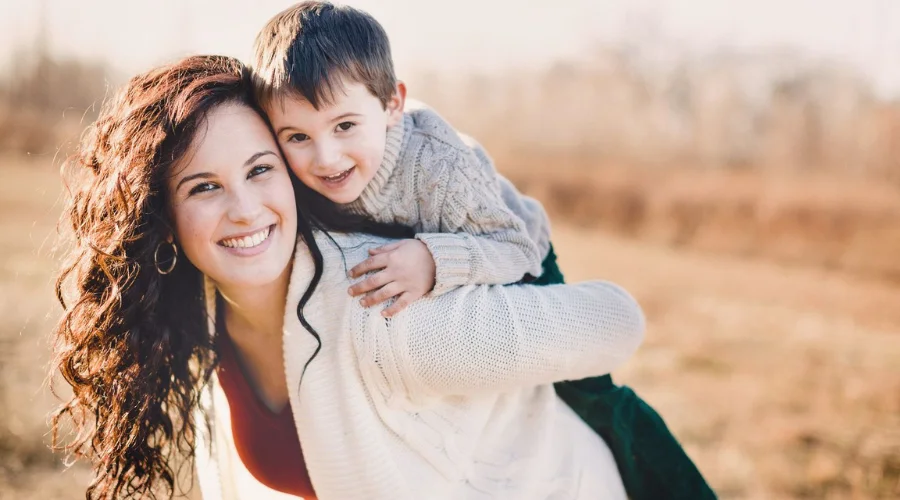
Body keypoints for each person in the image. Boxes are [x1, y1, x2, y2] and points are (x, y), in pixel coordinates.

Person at [51, 55, 645, 500]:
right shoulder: (203, 309)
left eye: (260, 170)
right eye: (204, 186)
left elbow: (616, 321)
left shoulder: (384, 312)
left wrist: (445, 260)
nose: (244, 209)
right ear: (162, 216)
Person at [250, 3, 716, 498]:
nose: (325, 157)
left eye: (345, 127)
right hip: (442, 240)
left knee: (593, 398)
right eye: (298, 136)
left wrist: (431, 260)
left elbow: (510, 246)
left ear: (392, 105)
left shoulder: (437, 168)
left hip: (512, 247)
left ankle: (674, 484)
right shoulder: (304, 167)